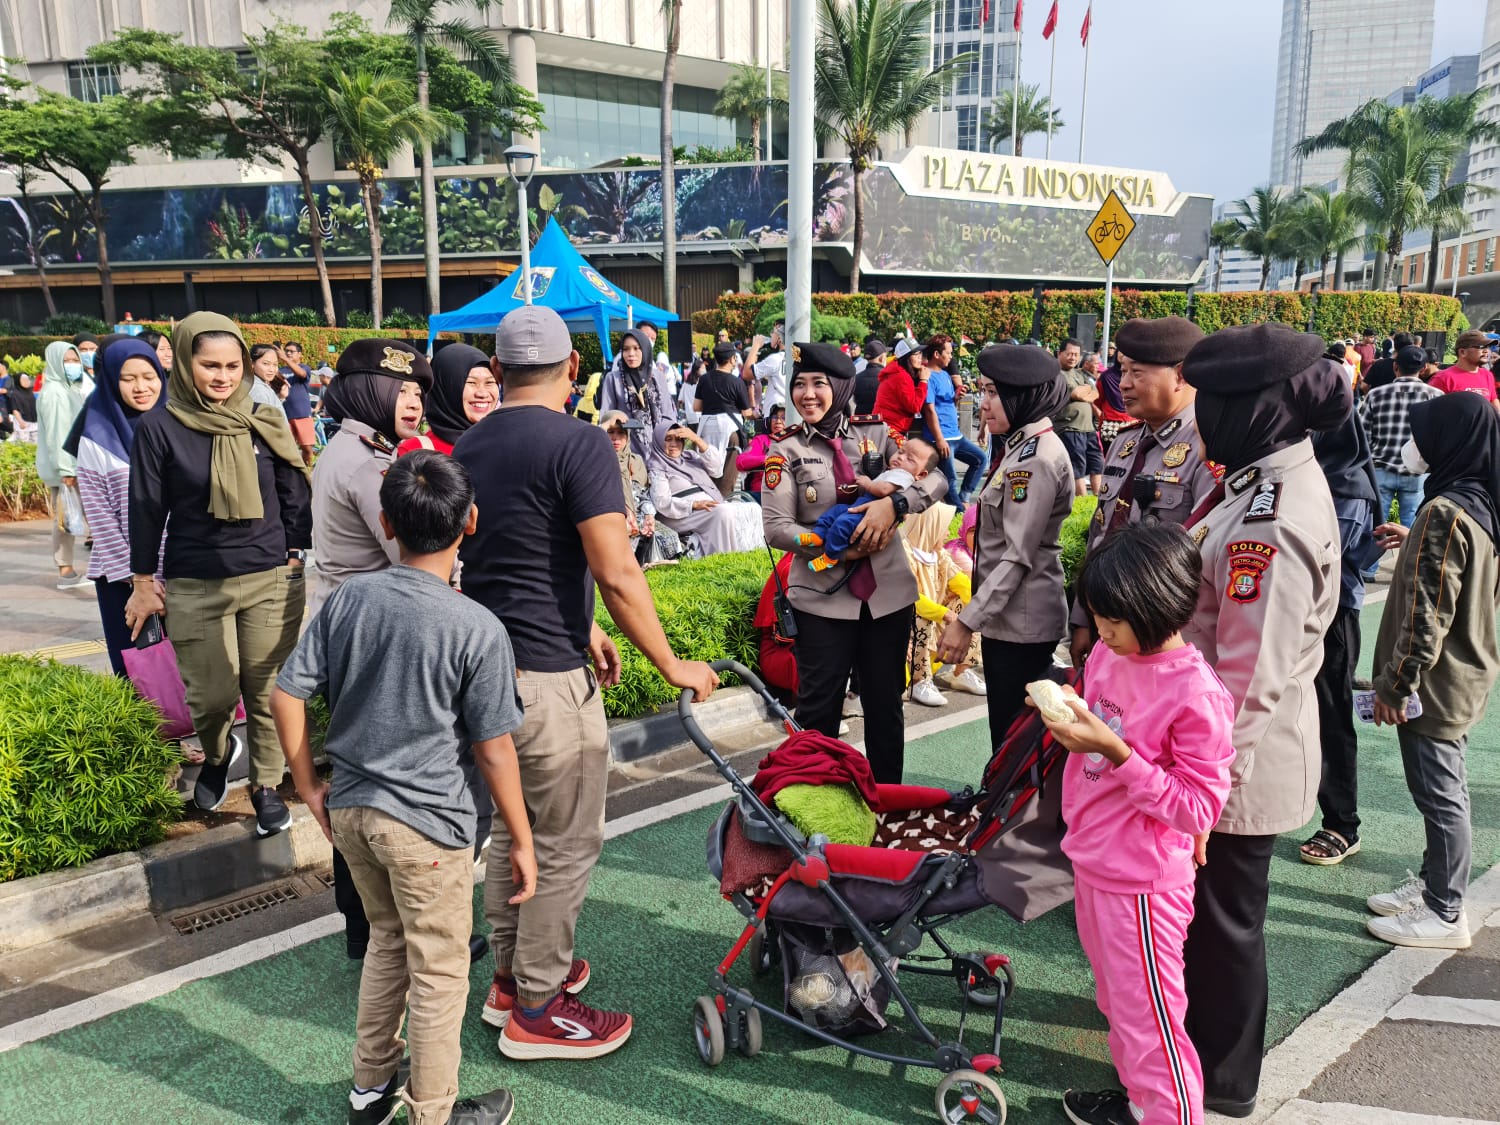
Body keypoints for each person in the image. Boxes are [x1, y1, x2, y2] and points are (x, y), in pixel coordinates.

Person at [452, 304, 718, 1061]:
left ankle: (509, 976)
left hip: (488, 672)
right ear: (574, 370)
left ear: (497, 373)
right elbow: (617, 567)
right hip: (547, 678)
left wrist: (588, 625)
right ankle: (538, 1005)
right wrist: (673, 663)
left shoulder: (468, 443)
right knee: (565, 842)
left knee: (513, 831)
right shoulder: (579, 442)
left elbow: (512, 560)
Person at [272, 452, 533, 1125]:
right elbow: (494, 749)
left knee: (387, 940)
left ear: (386, 522)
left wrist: (309, 784)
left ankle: (369, 1090)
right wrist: (522, 839)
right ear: (470, 521)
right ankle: (434, 1114)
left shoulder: (352, 596)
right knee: (442, 971)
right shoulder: (476, 627)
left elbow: (287, 693)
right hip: (429, 827)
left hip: (354, 811)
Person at [1176, 324, 1347, 1118]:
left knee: (1224, 928)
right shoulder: (1258, 482)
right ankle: (1208, 1063)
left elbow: (1248, 680)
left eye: (1215, 400)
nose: (1204, 414)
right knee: (1217, 925)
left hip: (1235, 764)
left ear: (1258, 408)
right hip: (1226, 754)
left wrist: (1205, 792)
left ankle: (1222, 1082)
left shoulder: (1267, 517)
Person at [1046, 522, 1235, 1125]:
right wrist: (1071, 716)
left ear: (1160, 607)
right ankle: (1138, 1106)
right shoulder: (1106, 653)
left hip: (1144, 885)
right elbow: (1098, 716)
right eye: (1098, 616)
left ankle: (1169, 1114)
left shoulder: (1195, 692)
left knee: (1152, 1025)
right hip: (1094, 859)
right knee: (1119, 1006)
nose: (1100, 632)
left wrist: (1118, 753)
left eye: (1114, 620)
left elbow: (1199, 809)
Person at [124, 313, 312, 837]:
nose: (223, 376)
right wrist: (143, 581)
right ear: (185, 363)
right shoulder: (160, 427)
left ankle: (265, 786)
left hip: (269, 574)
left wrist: (295, 551)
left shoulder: (260, 414)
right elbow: (145, 506)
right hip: (196, 580)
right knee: (210, 695)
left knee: (267, 689)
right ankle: (216, 751)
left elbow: (293, 480)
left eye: (233, 365)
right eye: (210, 365)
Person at [761, 342, 947, 783]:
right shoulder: (784, 450)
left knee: (885, 705)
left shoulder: (878, 434)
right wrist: (837, 550)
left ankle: (886, 801)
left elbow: (937, 477)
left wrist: (896, 504)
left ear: (841, 388)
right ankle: (816, 806)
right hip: (822, 601)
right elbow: (776, 528)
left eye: (819, 384)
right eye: (800, 385)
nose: (808, 394)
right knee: (818, 711)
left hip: (887, 598)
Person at [1365, 392, 1500, 950]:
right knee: (1445, 790)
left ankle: (1445, 912)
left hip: (1437, 682)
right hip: (1467, 672)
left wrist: (1398, 684)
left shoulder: (1445, 511)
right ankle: (1431, 887)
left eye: (1424, 431)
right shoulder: (1477, 502)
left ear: (1449, 440)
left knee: (1440, 795)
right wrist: (1414, 537)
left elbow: (1428, 615)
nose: (1411, 442)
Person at [935, 344, 1073, 748]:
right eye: (982, 393)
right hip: (1011, 618)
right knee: (1008, 732)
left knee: (1013, 738)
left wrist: (966, 623)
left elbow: (1016, 557)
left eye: (993, 393)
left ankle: (1010, 808)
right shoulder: (1019, 447)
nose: (984, 405)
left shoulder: (1035, 460)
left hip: (1023, 622)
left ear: (1021, 396)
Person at [1068, 316, 1215, 667]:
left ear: (1180, 375)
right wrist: (1084, 617)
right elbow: (1100, 534)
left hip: (1166, 643)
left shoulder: (1208, 447)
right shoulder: (1126, 441)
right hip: (1111, 632)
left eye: (1137, 373)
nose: (1124, 385)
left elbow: (1204, 560)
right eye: (1122, 372)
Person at [1299, 408, 1379, 866]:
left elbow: (1328, 556)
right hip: (1299, 612)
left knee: (1332, 716)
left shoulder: (1349, 486)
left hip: (1333, 616)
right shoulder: (1308, 476)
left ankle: (1341, 824)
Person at [309, 341, 430, 616]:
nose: (414, 404)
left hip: (341, 609)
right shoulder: (369, 461)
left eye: (418, 394)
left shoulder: (348, 443)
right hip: (366, 617)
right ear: (369, 392)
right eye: (399, 391)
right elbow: (411, 556)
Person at [75, 339, 167, 678]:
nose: (141, 387)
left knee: (197, 677)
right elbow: (100, 520)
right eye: (129, 379)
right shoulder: (96, 437)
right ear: (112, 380)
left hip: (186, 572)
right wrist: (140, 580)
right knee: (143, 674)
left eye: (149, 375)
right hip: (123, 580)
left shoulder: (178, 423)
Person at [801, 437, 940, 571]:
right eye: (901, 451)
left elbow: (884, 490)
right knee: (836, 511)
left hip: (869, 513)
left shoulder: (904, 476)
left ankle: (830, 556)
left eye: (910, 459)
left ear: (921, 475)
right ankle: (818, 535)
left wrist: (868, 484)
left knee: (842, 524)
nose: (901, 457)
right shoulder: (894, 471)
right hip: (861, 505)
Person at [1359, 345, 1441, 553]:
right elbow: (1440, 437)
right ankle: (1409, 568)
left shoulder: (1376, 395)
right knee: (1413, 525)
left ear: (1395, 366)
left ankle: (1369, 568)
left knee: (1377, 524)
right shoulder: (1436, 396)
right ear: (1423, 369)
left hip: (1381, 468)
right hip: (1417, 472)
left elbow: (1364, 436)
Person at [903, 501, 985, 707]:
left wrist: (977, 610)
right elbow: (913, 599)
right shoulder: (904, 553)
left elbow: (962, 583)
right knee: (922, 616)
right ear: (929, 527)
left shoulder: (938, 554)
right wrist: (946, 615)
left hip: (934, 620)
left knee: (973, 608)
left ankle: (961, 671)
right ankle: (918, 680)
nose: (947, 533)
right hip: (904, 625)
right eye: (943, 527)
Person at [36, 340, 91, 589]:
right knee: (65, 518)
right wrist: (66, 470)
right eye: (66, 361)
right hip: (67, 468)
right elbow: (58, 435)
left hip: (76, 465)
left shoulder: (69, 388)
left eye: (74, 360)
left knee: (75, 516)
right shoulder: (55, 392)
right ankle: (65, 570)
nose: (73, 365)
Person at [648, 421, 741, 557]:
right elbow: (662, 502)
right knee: (721, 512)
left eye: (679, 439)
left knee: (749, 509)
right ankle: (721, 559)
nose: (674, 444)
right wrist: (694, 505)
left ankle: (736, 557)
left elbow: (717, 469)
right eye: (668, 439)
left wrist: (696, 439)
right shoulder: (656, 466)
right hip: (677, 514)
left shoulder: (690, 457)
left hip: (703, 507)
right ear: (658, 442)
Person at [397, 344, 497, 457]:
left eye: (489, 382)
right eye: (471, 382)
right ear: (445, 388)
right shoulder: (415, 452)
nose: (482, 394)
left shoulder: (506, 442)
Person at [923, 334, 985, 511]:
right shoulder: (928, 377)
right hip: (941, 437)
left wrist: (957, 397)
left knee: (980, 459)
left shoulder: (945, 374)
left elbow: (949, 403)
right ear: (936, 354)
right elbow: (929, 409)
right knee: (950, 478)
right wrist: (939, 438)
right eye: (948, 353)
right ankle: (958, 511)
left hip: (956, 435)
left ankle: (964, 498)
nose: (951, 357)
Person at [600, 327, 675, 459]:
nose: (630, 353)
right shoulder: (613, 379)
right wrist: (634, 424)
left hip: (660, 452)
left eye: (636, 348)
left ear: (645, 349)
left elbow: (668, 415)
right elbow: (607, 417)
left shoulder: (657, 377)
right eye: (626, 349)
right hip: (628, 453)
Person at [695, 341, 754, 494]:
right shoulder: (736, 382)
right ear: (733, 358)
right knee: (727, 473)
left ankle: (708, 499)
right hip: (730, 430)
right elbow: (747, 412)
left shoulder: (704, 379)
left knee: (707, 466)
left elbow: (696, 407)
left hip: (706, 428)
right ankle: (722, 502)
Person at [1054, 337, 1103, 497]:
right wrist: (1082, 394)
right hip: (1070, 428)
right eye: (1069, 354)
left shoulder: (1079, 374)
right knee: (1077, 468)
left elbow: (1094, 393)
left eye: (1076, 354)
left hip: (1088, 428)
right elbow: (1076, 393)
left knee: (1097, 464)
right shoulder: (1056, 374)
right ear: (1060, 353)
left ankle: (1098, 503)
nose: (1073, 357)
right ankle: (1081, 503)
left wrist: (1084, 394)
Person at [873, 338, 934, 438]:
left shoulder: (897, 371)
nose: (920, 357)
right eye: (916, 354)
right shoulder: (901, 376)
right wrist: (923, 381)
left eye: (920, 354)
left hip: (886, 427)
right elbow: (914, 407)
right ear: (906, 357)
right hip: (890, 430)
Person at [1428, 330, 1499, 407]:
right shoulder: (1443, 378)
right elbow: (1432, 410)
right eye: (1481, 347)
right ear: (1462, 352)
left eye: (1488, 347)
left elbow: (1493, 401)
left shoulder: (1487, 375)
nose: (1486, 351)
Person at [735, 405, 787, 501]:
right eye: (775, 417)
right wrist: (766, 459)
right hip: (761, 494)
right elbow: (741, 461)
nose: (778, 421)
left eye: (783, 418)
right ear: (769, 421)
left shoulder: (797, 442)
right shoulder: (761, 440)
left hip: (789, 494)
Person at [279, 341, 318, 463]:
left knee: (306, 447)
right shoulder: (279, 370)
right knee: (285, 448)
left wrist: (285, 359)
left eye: (292, 351)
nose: (288, 353)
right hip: (284, 414)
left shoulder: (304, 367)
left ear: (299, 354)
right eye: (286, 351)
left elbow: (302, 374)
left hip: (302, 413)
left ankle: (307, 470)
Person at [248, 343, 289, 419]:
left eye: (275, 364)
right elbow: (267, 425)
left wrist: (281, 398)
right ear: (252, 363)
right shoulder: (258, 390)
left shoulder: (262, 385)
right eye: (266, 364)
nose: (272, 369)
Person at [852, 338, 887, 414]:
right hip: (883, 422)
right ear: (882, 358)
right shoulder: (888, 378)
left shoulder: (856, 378)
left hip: (861, 422)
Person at [9, 370, 37, 442]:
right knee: (24, 444)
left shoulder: (30, 392)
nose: (27, 381)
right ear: (18, 381)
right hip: (22, 423)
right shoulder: (15, 394)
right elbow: (15, 409)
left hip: (34, 423)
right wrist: (21, 421)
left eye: (27, 379)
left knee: (35, 444)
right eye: (24, 380)